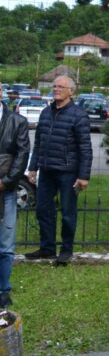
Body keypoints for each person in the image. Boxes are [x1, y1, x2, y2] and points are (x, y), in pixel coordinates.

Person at [26, 76, 92, 265]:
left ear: (71, 91)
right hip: (46, 170)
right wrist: (32, 167)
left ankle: (66, 250)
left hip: (68, 172)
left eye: (60, 87)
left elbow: (85, 148)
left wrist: (83, 176)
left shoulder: (79, 115)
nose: (56, 89)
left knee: (68, 213)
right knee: (42, 209)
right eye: (54, 86)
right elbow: (38, 143)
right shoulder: (46, 113)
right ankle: (47, 248)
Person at [0, 81, 30, 307]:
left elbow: (22, 154)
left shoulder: (17, 121)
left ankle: (3, 289)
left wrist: (6, 181)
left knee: (5, 244)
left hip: (6, 191)